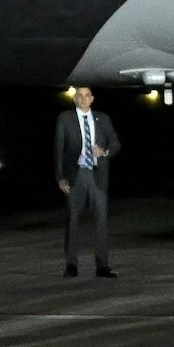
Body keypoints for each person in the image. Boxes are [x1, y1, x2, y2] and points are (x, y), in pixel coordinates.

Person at [56, 85, 121, 278]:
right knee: (72, 219)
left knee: (101, 220)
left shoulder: (103, 119)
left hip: (97, 174)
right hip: (75, 175)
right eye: (80, 95)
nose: (83, 99)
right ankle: (71, 265)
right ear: (74, 99)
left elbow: (115, 143)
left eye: (87, 95)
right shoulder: (65, 119)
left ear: (92, 99)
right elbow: (58, 148)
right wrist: (60, 176)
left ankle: (102, 266)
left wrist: (105, 152)